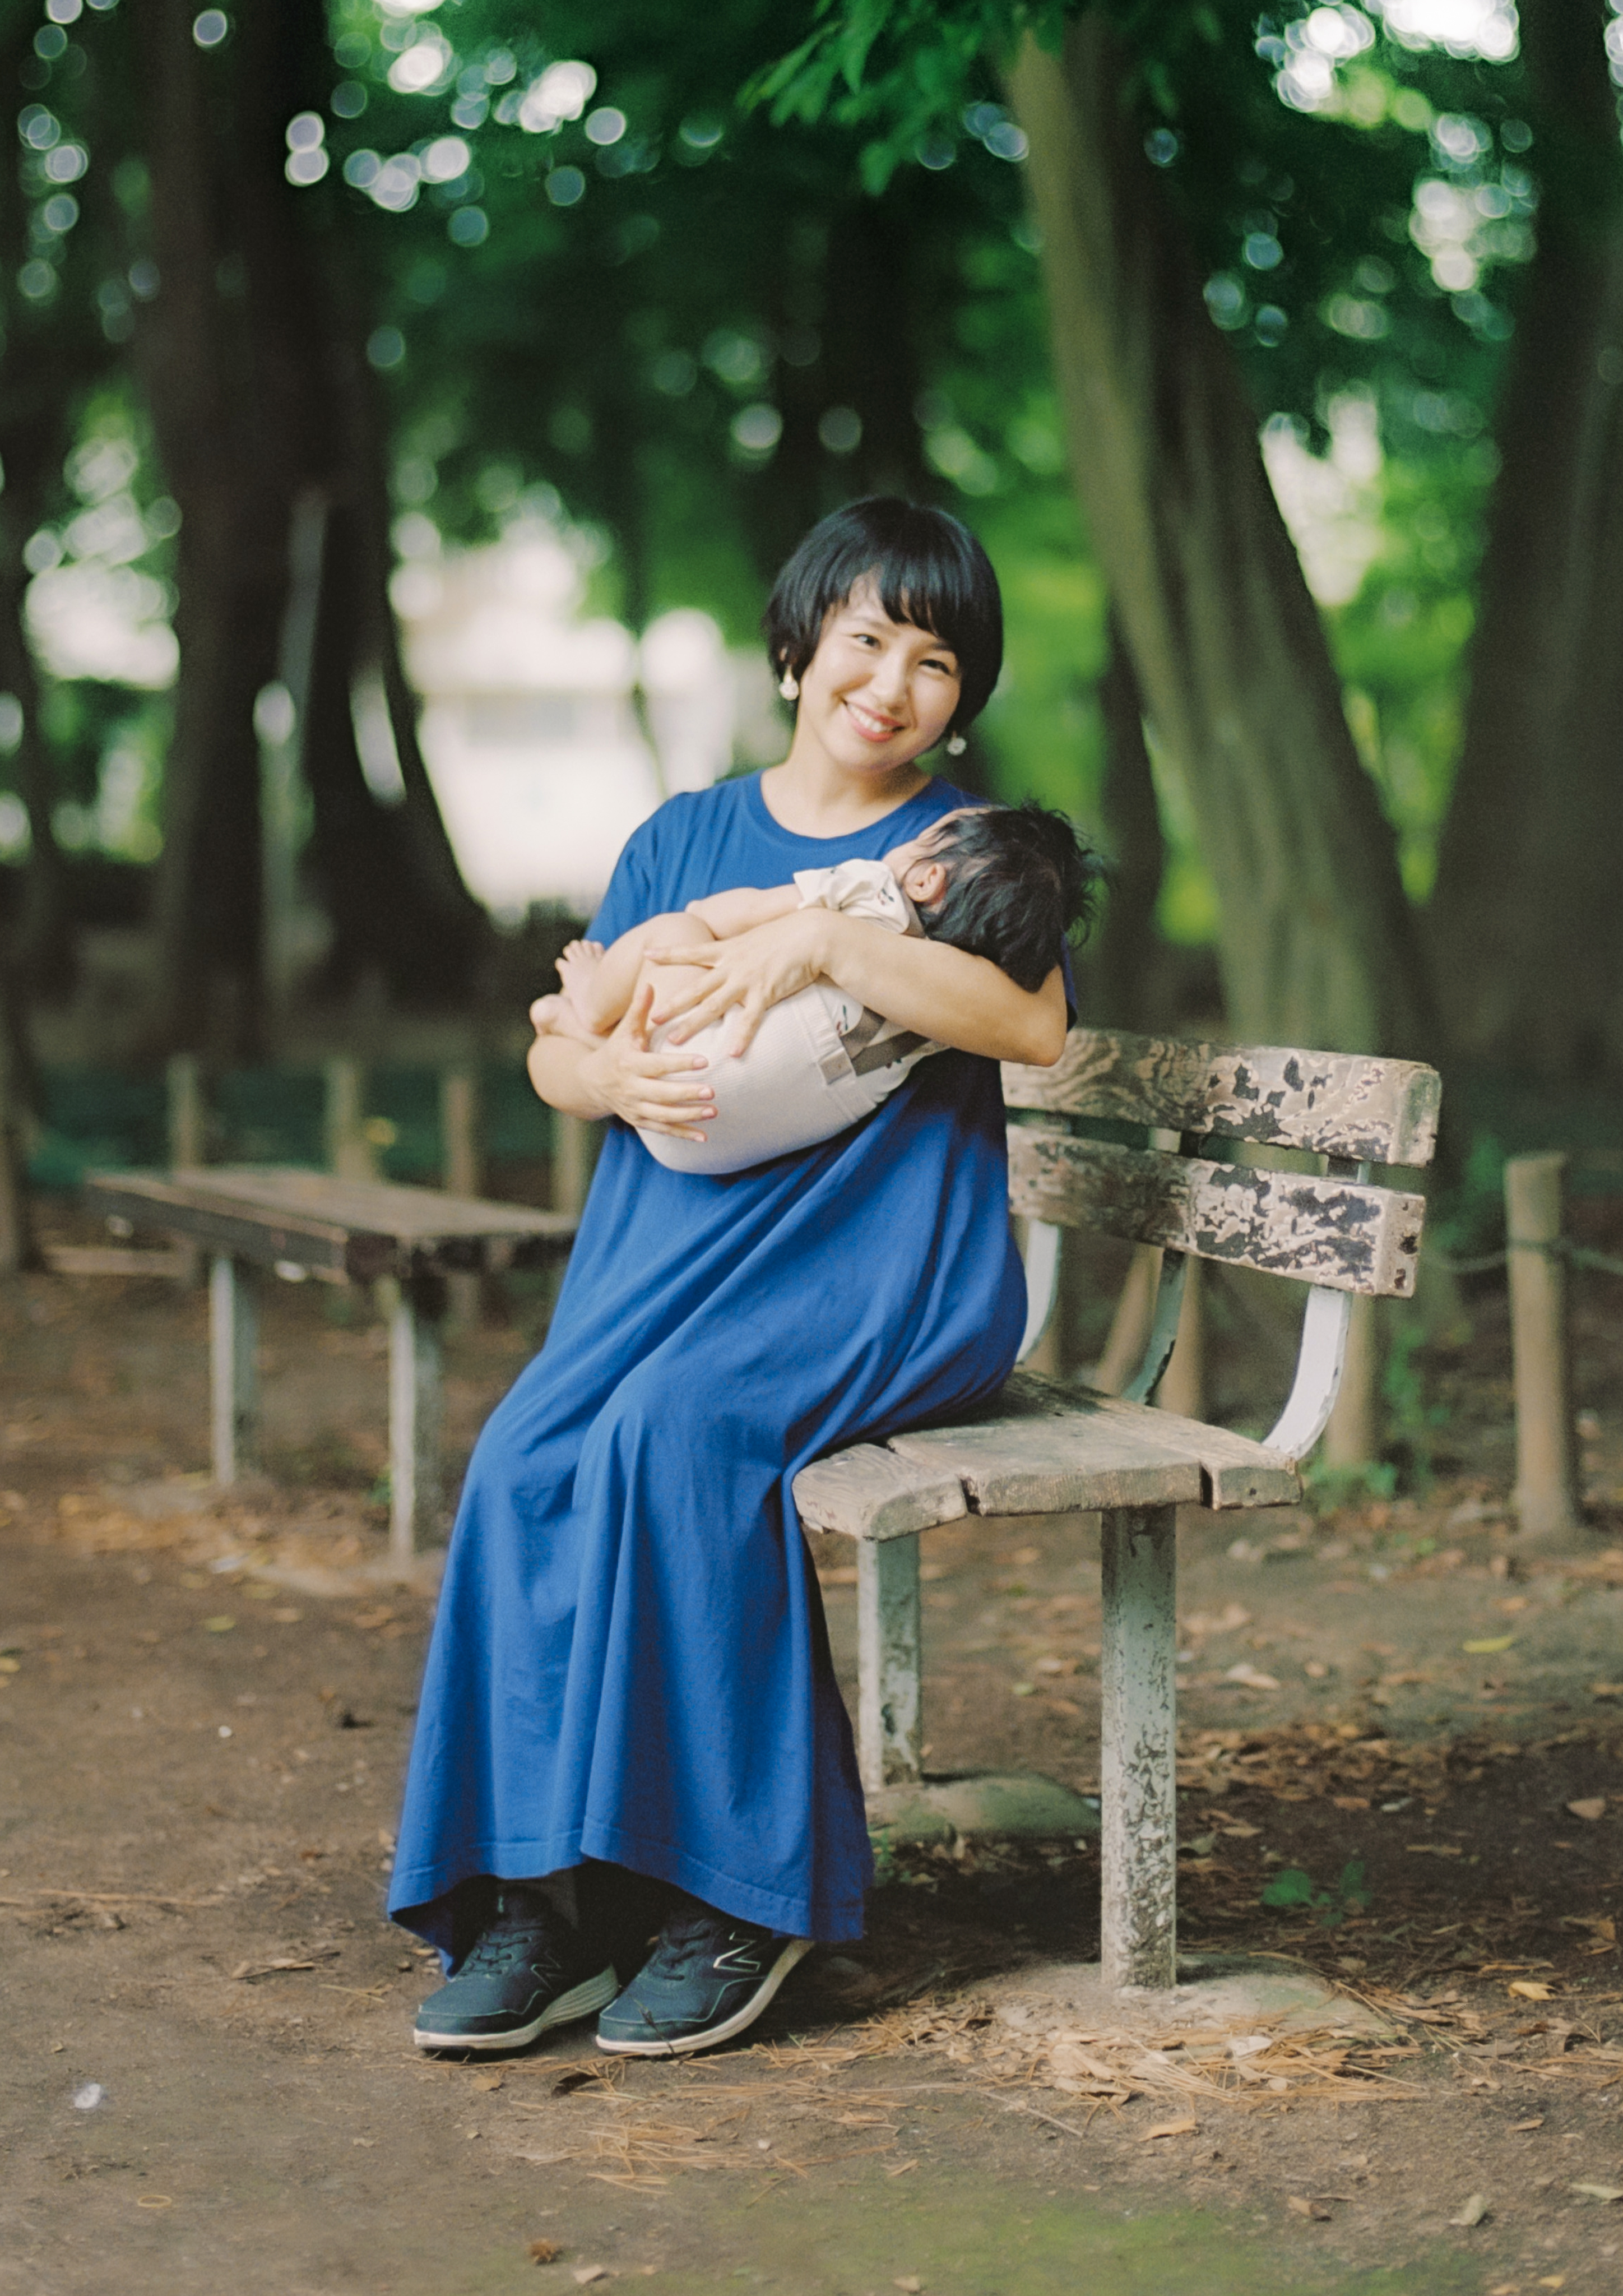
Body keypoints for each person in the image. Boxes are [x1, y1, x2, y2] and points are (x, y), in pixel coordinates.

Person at [390, 496, 1086, 2061]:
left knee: (678, 1440)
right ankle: (545, 1897)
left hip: (881, 1262)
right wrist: (609, 1085)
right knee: (525, 1461)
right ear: (798, 651)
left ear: (963, 694)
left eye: (935, 658)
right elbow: (555, 1046)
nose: (893, 682)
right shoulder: (686, 836)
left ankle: (737, 1899)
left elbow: (1031, 1030)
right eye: (864, 641)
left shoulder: (964, 850)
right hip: (667, 1257)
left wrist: (827, 946)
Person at [528, 802, 1097, 1176]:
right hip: (720, 1146)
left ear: (927, 878)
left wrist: (703, 918)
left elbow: (750, 908)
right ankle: (586, 1034)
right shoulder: (952, 1002)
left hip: (679, 1088)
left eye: (929, 834)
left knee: (671, 935)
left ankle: (587, 1005)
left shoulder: (874, 890)